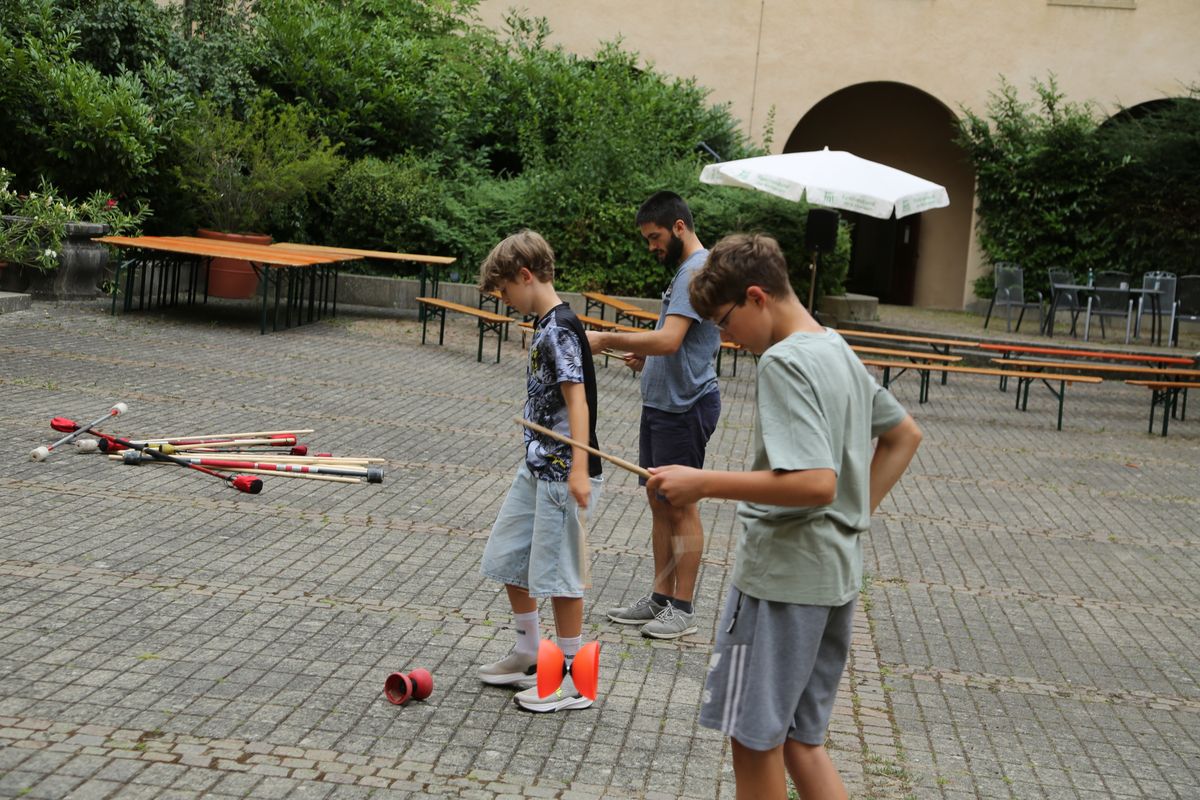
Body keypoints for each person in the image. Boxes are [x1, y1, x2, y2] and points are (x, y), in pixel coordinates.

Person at [647, 233, 923, 799]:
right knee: (801, 741)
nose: (726, 338)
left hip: (781, 582)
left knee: (753, 739)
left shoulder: (784, 361)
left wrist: (702, 482)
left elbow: (815, 482)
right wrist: (852, 516)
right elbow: (904, 435)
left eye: (725, 322)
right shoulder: (834, 347)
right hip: (833, 574)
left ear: (756, 297)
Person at [476, 230, 604, 713]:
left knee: (560, 574)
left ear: (526, 276)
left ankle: (573, 678)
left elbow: (578, 401)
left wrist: (579, 468)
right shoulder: (546, 324)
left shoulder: (560, 329)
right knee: (509, 555)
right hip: (536, 466)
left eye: (506, 290)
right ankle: (530, 651)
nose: (506, 300)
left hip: (561, 471)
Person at [586, 191, 722, 640]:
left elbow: (669, 340)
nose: (651, 247)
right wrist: (647, 359)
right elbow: (674, 340)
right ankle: (661, 598)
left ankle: (682, 608)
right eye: (647, 239)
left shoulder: (695, 270)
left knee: (680, 504)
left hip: (685, 406)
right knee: (659, 501)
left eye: (655, 237)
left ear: (679, 227)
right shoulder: (686, 270)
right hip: (663, 404)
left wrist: (606, 339)